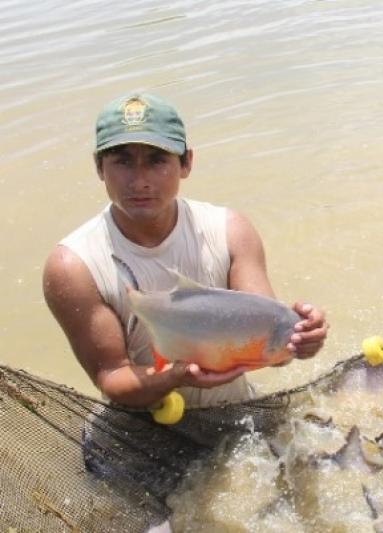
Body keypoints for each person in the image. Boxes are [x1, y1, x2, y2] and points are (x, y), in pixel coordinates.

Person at [43, 92, 329, 410]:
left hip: (237, 411)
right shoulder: (73, 265)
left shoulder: (231, 231)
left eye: (156, 160)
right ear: (99, 167)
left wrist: (303, 340)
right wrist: (176, 376)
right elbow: (111, 376)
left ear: (186, 163)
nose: (140, 181)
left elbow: (273, 352)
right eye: (122, 161)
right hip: (138, 431)